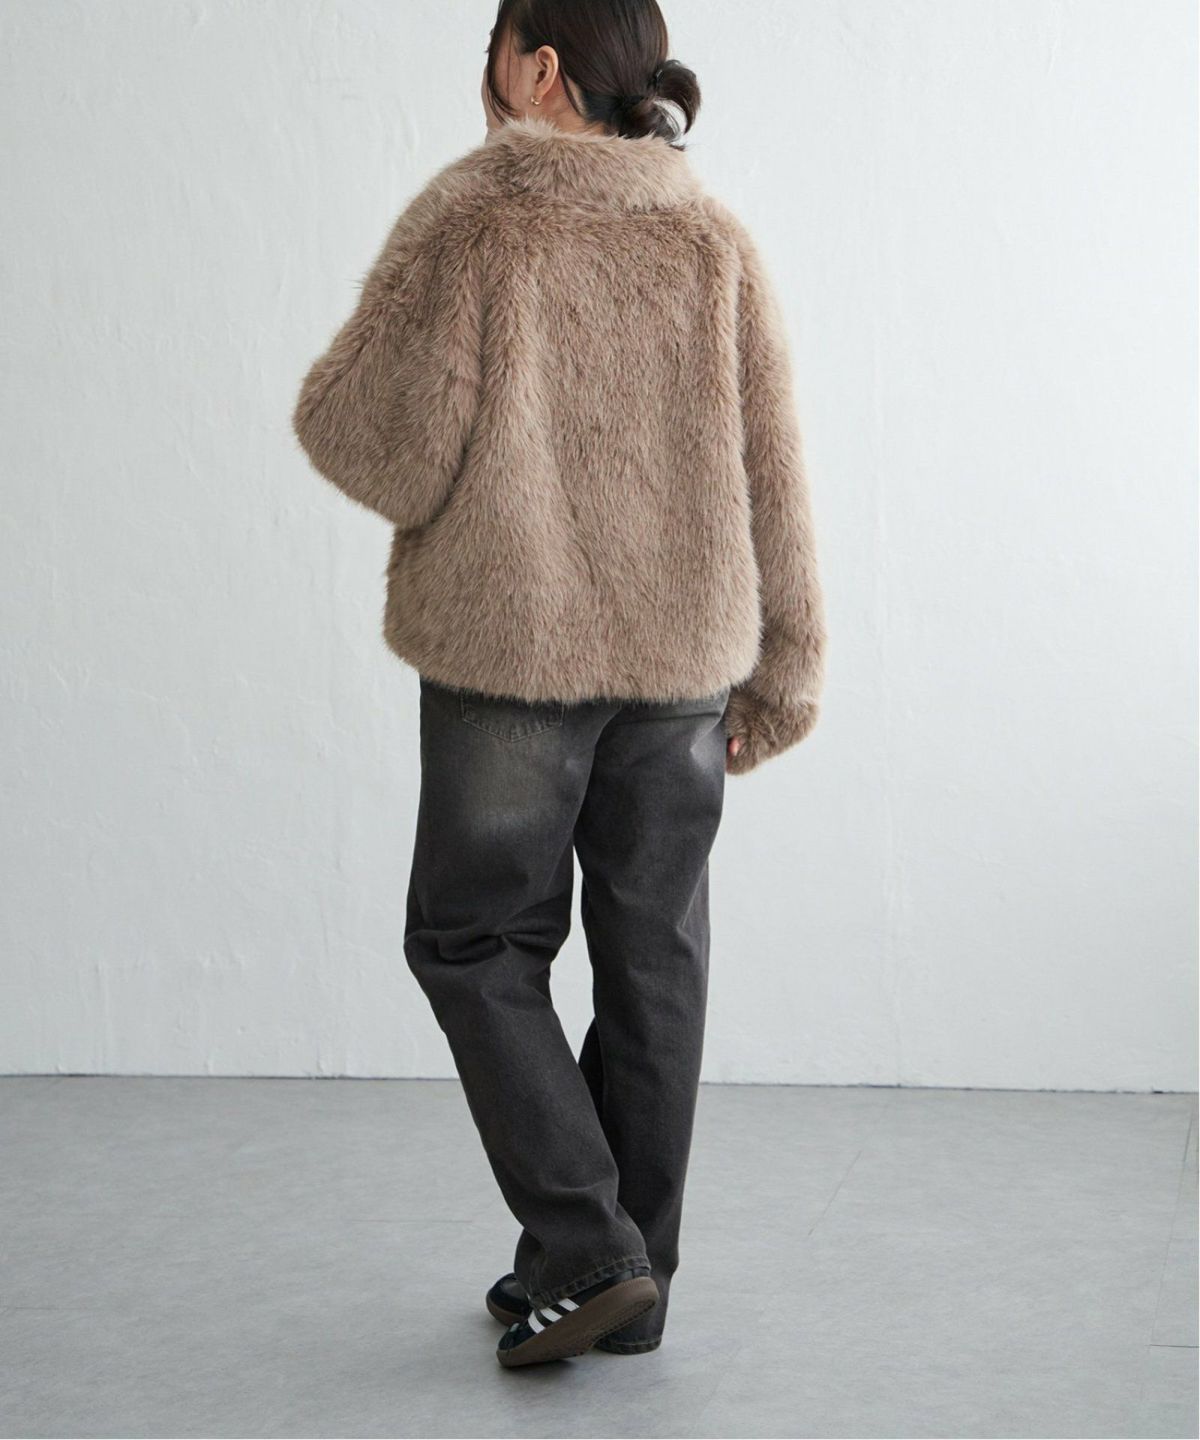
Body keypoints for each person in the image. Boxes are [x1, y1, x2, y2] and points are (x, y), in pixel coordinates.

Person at [291, 0, 826, 1369]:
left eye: (492, 52)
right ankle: (624, 1278)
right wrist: (787, 664)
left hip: (512, 653)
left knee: (476, 943)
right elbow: (774, 464)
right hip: (684, 665)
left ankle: (589, 1253)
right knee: (655, 960)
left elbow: (371, 442)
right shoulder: (713, 238)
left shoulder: (480, 218)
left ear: (536, 69)